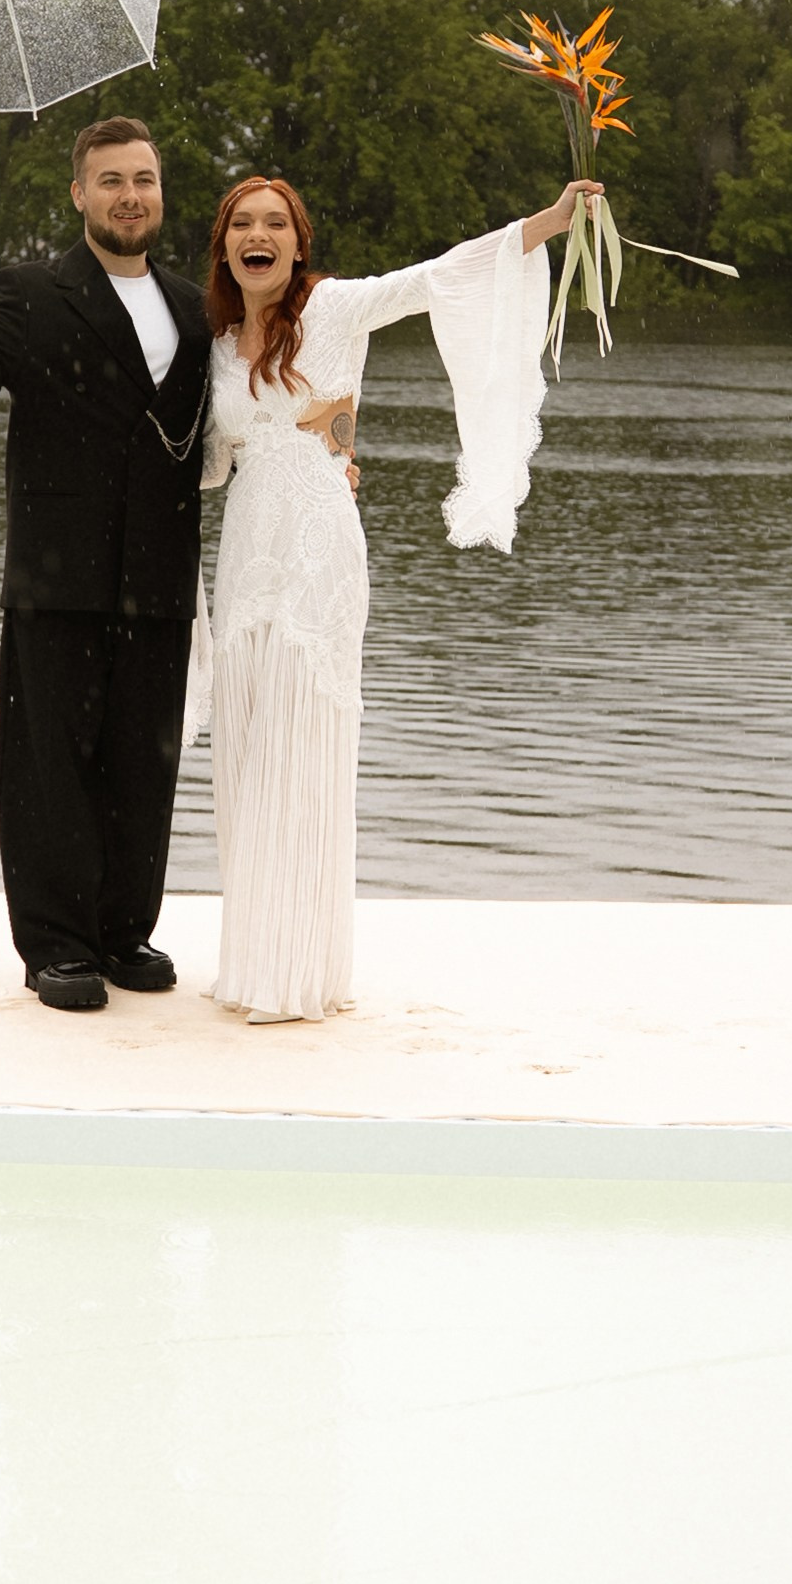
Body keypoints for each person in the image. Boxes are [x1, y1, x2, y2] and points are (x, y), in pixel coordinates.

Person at [198, 172, 599, 1022]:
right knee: (244, 752)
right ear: (223, 246)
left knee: (300, 750)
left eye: (274, 224)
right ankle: (253, 960)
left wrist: (551, 220)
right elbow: (210, 465)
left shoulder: (334, 308)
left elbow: (438, 277)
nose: (257, 236)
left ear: (298, 243)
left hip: (317, 551)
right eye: (242, 224)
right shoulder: (220, 345)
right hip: (244, 557)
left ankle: (295, 977)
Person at [0, 119, 219, 1011]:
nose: (130, 196)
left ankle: (123, 931)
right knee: (51, 769)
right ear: (79, 194)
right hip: (58, 576)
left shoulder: (195, 306)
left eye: (143, 179)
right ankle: (55, 944)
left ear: (159, 192)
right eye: (111, 180)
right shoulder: (32, 290)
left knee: (143, 764)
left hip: (159, 575)